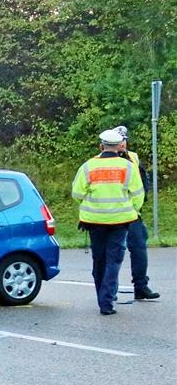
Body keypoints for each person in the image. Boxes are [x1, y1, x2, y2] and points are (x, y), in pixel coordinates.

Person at [72, 128, 145, 315]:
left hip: (94, 221)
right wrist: (132, 210)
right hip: (120, 221)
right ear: (119, 147)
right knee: (114, 260)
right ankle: (107, 301)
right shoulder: (128, 166)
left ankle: (101, 297)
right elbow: (138, 195)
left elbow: (77, 194)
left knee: (99, 260)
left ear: (101, 145)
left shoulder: (88, 166)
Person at [96, 126, 159, 300]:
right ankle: (110, 291)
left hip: (131, 213)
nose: (122, 143)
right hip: (109, 215)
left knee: (139, 248)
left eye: (124, 140)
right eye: (119, 140)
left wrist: (138, 205)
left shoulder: (133, 158)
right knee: (112, 253)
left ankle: (141, 286)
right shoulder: (100, 161)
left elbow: (142, 183)